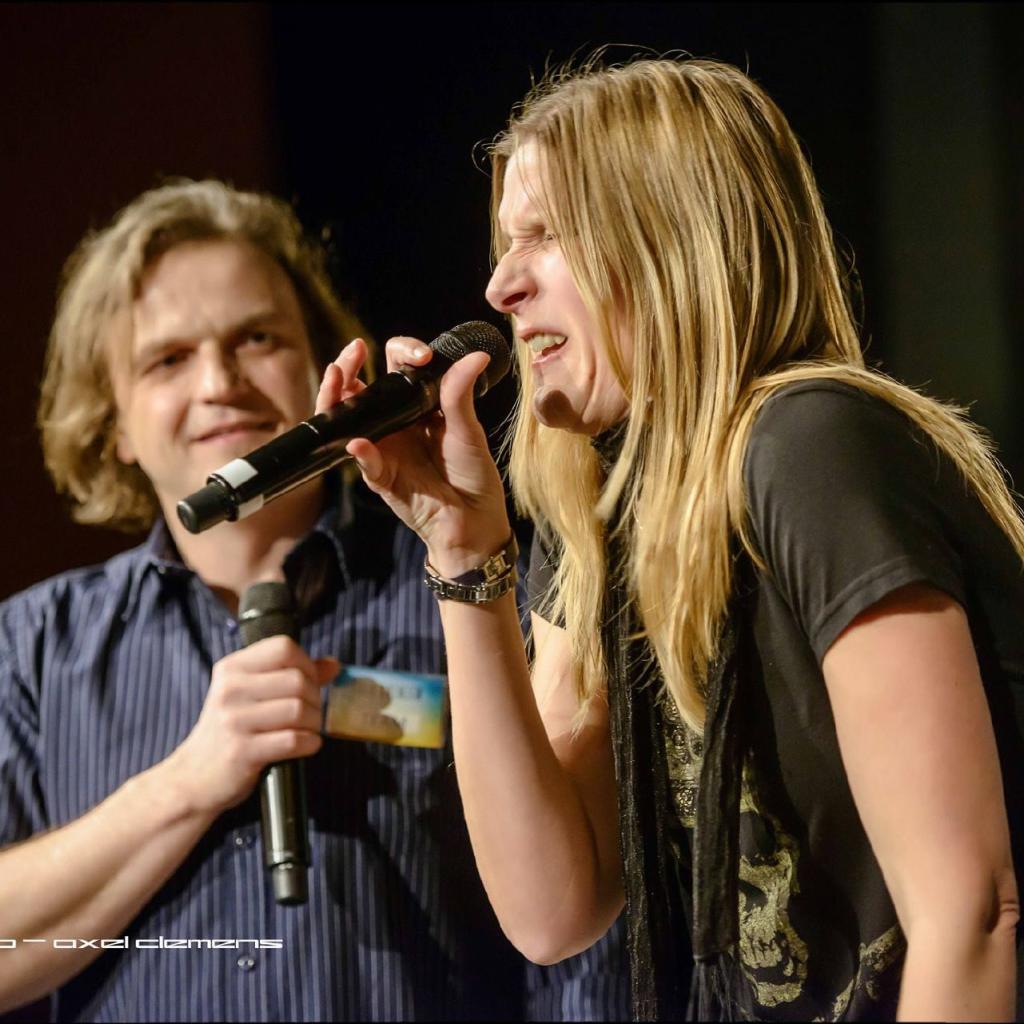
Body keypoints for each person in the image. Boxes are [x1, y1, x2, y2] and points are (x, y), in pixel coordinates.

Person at [321, 57, 1024, 1021]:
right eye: (501, 244)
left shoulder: (811, 447)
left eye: (546, 236)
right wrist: (461, 554)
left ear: (672, 238)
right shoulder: (604, 512)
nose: (500, 284)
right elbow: (552, 906)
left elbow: (970, 912)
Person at [0, 179, 629, 1021]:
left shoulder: (473, 593)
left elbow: (586, 935)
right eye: (168, 360)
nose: (219, 382)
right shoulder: (34, 647)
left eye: (256, 338)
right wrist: (190, 780)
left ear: (319, 359)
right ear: (110, 418)